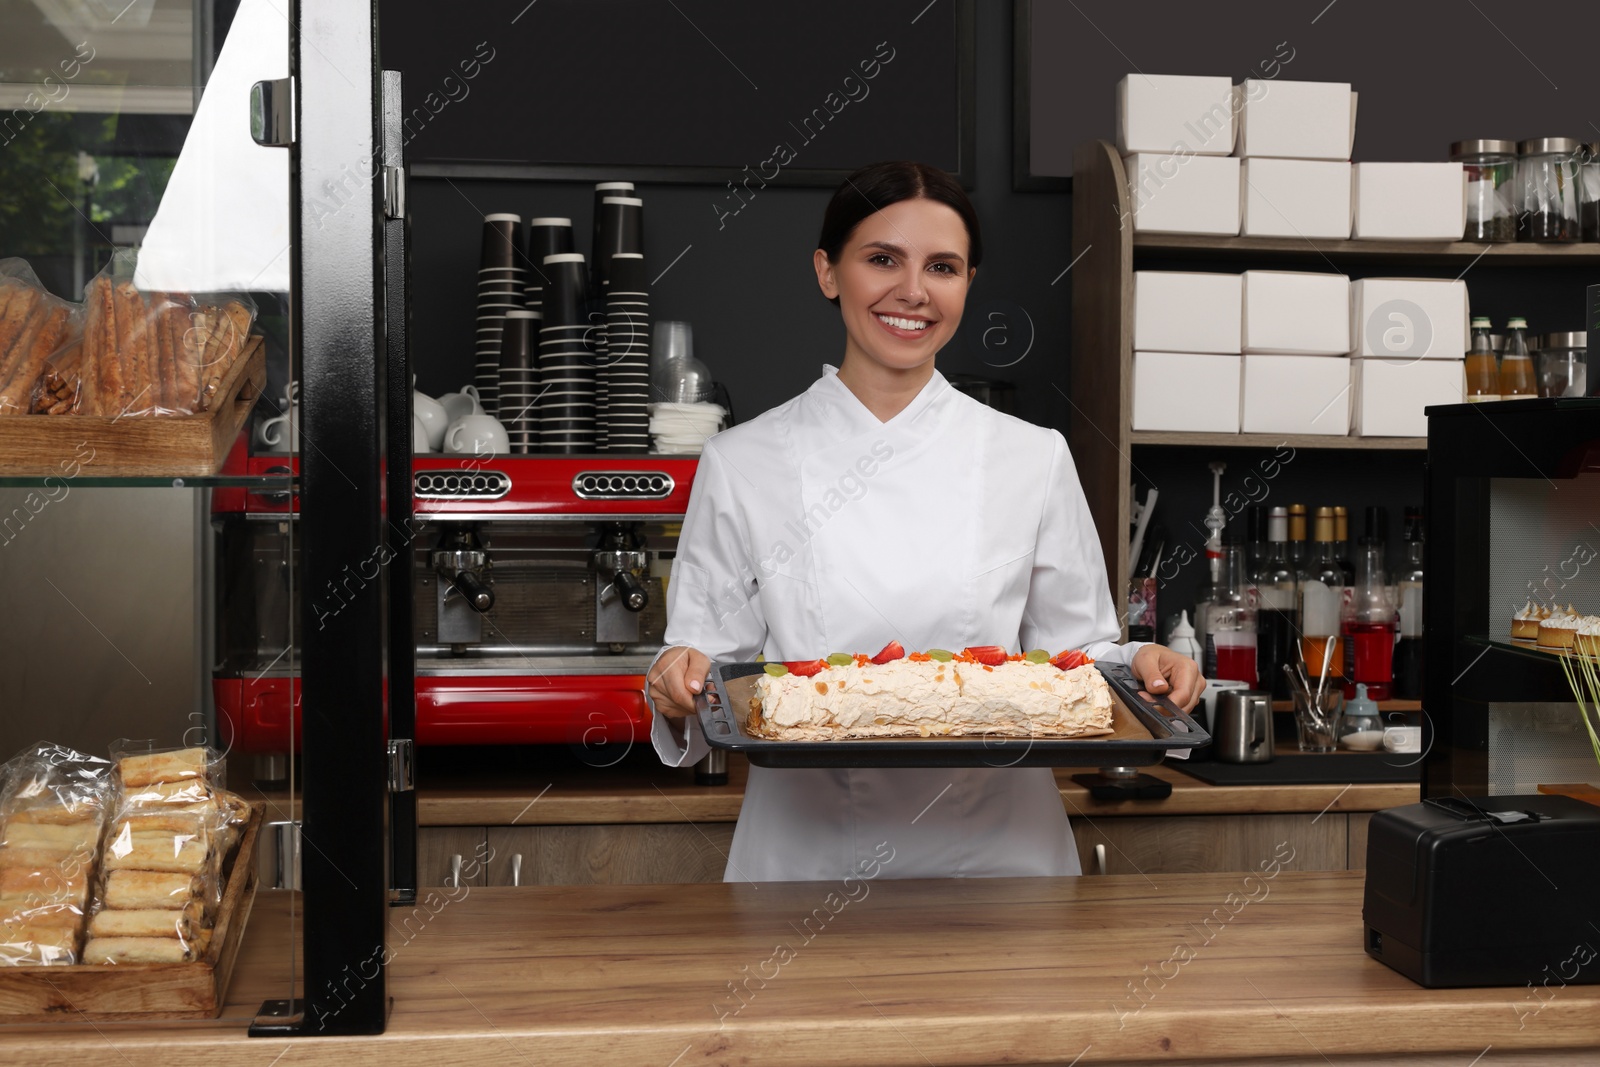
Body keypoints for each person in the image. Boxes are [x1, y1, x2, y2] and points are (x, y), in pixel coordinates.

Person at [645, 160, 1203, 882]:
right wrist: (673, 679)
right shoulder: (742, 460)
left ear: (969, 282)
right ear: (827, 271)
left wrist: (1143, 668)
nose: (913, 291)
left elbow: (1076, 656)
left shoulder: (1031, 457)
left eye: (942, 266)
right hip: (804, 864)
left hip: (1002, 860)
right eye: (882, 259)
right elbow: (703, 670)